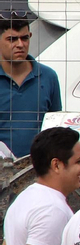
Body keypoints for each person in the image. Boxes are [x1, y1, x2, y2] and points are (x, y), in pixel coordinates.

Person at [0, 10, 59, 157]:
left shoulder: (48, 77)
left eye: (25, 38)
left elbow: (55, 128)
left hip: (39, 164)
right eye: (12, 39)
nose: (20, 44)